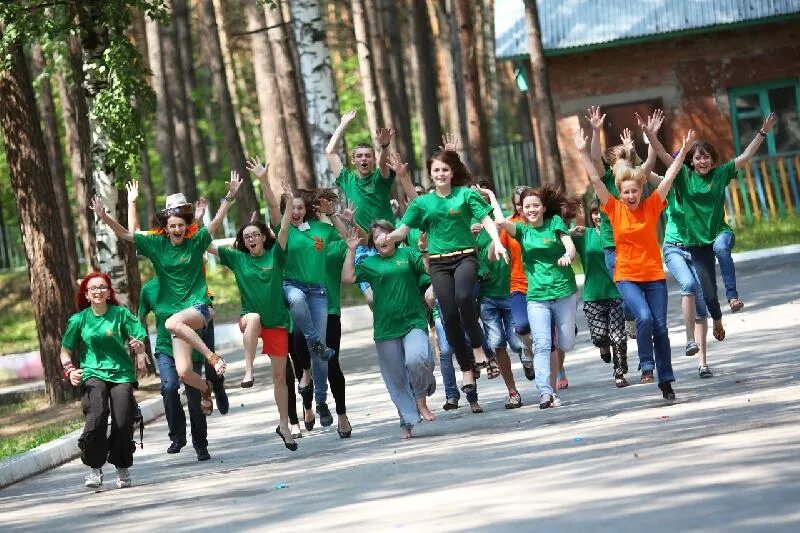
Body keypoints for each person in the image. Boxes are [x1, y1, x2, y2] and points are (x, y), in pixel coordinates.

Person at [91, 172, 241, 415]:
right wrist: (104, 216)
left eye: (181, 225)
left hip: (200, 307)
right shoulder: (157, 244)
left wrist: (229, 197)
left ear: (186, 226)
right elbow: (126, 234)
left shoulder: (196, 241)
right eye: (173, 226)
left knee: (172, 322)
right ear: (167, 228)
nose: (177, 229)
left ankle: (211, 357)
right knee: (184, 372)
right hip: (178, 322)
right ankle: (206, 388)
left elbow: (215, 223)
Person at [576, 126, 695, 400]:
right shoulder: (613, 209)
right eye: (626, 192)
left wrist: (683, 151)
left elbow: (670, 176)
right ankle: (646, 364)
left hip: (653, 276)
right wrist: (583, 152)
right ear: (619, 192)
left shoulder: (652, 205)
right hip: (627, 275)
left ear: (641, 189)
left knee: (661, 326)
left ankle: (666, 379)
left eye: (635, 191)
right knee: (642, 316)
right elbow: (595, 179)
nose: (631, 196)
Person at [377, 149, 507, 395]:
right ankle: (467, 368)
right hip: (438, 262)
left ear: (452, 172)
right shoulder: (423, 203)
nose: (440, 174)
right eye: (436, 170)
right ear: (431, 174)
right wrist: (388, 237)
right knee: (447, 315)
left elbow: (488, 220)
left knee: (464, 298)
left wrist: (497, 243)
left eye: (445, 169)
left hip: (466, 257)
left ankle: (478, 347)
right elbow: (403, 231)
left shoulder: (465, 194)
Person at [644, 112, 777, 340]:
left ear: (713, 160)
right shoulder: (683, 176)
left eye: (706, 157)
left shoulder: (721, 174)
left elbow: (745, 156)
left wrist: (762, 132)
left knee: (722, 247)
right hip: (697, 243)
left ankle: (733, 297)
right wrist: (650, 134)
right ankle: (717, 319)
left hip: (719, 233)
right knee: (708, 294)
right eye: (698, 158)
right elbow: (664, 155)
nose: (703, 161)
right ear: (691, 161)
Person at [208, 170, 298, 450]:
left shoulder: (276, 255)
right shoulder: (237, 259)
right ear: (242, 241)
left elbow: (283, 229)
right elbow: (204, 240)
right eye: (246, 237)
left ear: (262, 238)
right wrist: (228, 199)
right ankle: (248, 371)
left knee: (281, 377)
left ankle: (284, 425)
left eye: (255, 235)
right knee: (255, 317)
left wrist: (289, 199)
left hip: (278, 322)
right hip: (251, 320)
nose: (251, 239)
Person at [343, 221, 436, 440]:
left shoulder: (408, 254)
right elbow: (348, 278)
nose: (383, 239)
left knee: (417, 360)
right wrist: (351, 249)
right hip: (386, 329)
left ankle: (421, 398)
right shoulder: (370, 263)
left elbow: (426, 269)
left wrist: (423, 249)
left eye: (386, 234)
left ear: (394, 236)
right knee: (397, 379)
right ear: (373, 243)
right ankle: (407, 420)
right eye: (377, 237)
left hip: (413, 320)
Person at [60, 272, 148, 489]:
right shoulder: (78, 320)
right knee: (97, 415)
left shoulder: (121, 314)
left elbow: (139, 337)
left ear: (109, 292)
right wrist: (70, 370)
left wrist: (140, 350)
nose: (98, 291)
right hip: (92, 373)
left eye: (102, 287)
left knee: (123, 420)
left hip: (121, 374)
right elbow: (65, 351)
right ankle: (94, 466)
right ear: (87, 295)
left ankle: (122, 465)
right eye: (93, 289)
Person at [497, 185, 580, 409]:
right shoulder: (522, 230)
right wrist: (492, 198)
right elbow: (500, 222)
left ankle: (550, 381)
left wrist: (567, 256)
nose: (531, 210)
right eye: (527, 207)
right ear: (521, 211)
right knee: (542, 344)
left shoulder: (554, 223)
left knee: (566, 343)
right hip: (537, 297)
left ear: (543, 208)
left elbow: (569, 246)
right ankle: (545, 392)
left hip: (563, 292)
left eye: (535, 205)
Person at [585, 106, 658, 340]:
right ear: (611, 167)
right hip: (613, 247)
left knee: (637, 297)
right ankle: (629, 317)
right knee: (626, 298)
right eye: (619, 163)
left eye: (627, 163)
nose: (624, 167)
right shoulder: (605, 180)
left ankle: (635, 315)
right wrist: (596, 131)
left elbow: (647, 164)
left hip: (638, 247)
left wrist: (644, 143)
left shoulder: (634, 178)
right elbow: (595, 158)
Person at [139, 278, 212, 460]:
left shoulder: (193, 282)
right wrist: (140, 347)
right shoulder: (149, 289)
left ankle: (201, 445)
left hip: (190, 349)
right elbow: (140, 318)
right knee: (169, 387)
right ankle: (178, 436)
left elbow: (207, 313)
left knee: (194, 399)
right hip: (165, 348)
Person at [473, 183, 525, 408]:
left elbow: (500, 221)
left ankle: (528, 358)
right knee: (497, 343)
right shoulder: (469, 227)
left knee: (517, 342)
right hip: (487, 296)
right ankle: (512, 391)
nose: (479, 201)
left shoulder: (499, 224)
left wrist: (492, 196)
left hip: (510, 291)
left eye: (483, 197)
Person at [572, 203, 629, 388]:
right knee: (599, 337)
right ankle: (604, 347)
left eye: (602, 213)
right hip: (593, 294)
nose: (598, 217)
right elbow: (558, 238)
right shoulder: (585, 235)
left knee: (618, 337)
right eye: (595, 213)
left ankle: (619, 372)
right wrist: (571, 231)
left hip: (616, 292)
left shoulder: (619, 233)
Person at [506, 186, 535, 381]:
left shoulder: (540, 221)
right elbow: (494, 247)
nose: (522, 209)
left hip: (542, 284)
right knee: (522, 326)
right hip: (517, 283)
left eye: (524, 204)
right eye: (518, 205)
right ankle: (526, 350)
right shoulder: (510, 225)